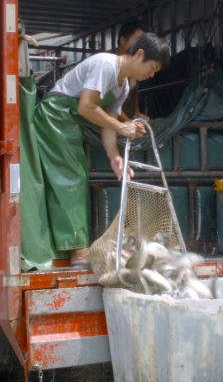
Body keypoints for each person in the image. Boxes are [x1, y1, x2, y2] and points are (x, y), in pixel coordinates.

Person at [28, 33, 170, 267]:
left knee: (73, 175)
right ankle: (77, 251)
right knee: (72, 176)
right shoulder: (106, 65)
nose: (151, 75)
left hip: (69, 123)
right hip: (54, 115)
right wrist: (122, 126)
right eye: (152, 68)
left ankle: (69, 247)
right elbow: (86, 107)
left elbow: (107, 125)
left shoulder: (123, 88)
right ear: (140, 54)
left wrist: (114, 156)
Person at [116, 20, 150, 122]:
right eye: (137, 42)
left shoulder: (134, 69)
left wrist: (138, 114)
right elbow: (107, 108)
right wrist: (128, 124)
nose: (141, 48)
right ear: (123, 40)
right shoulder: (109, 67)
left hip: (124, 125)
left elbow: (133, 100)